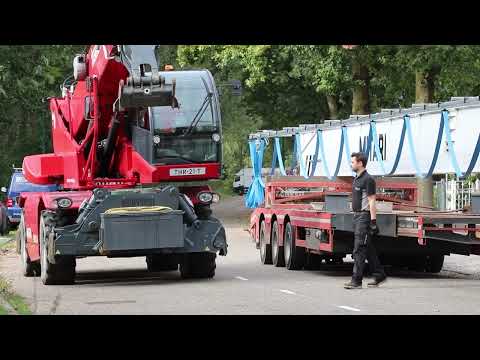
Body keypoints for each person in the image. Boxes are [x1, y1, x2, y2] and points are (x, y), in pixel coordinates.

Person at [344, 152, 387, 289]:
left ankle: (356, 280)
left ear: (360, 163)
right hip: (357, 216)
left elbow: (372, 201)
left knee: (359, 248)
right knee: (367, 247)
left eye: (353, 162)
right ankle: (379, 274)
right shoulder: (357, 179)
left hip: (364, 217)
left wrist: (373, 222)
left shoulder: (368, 180)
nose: (351, 164)